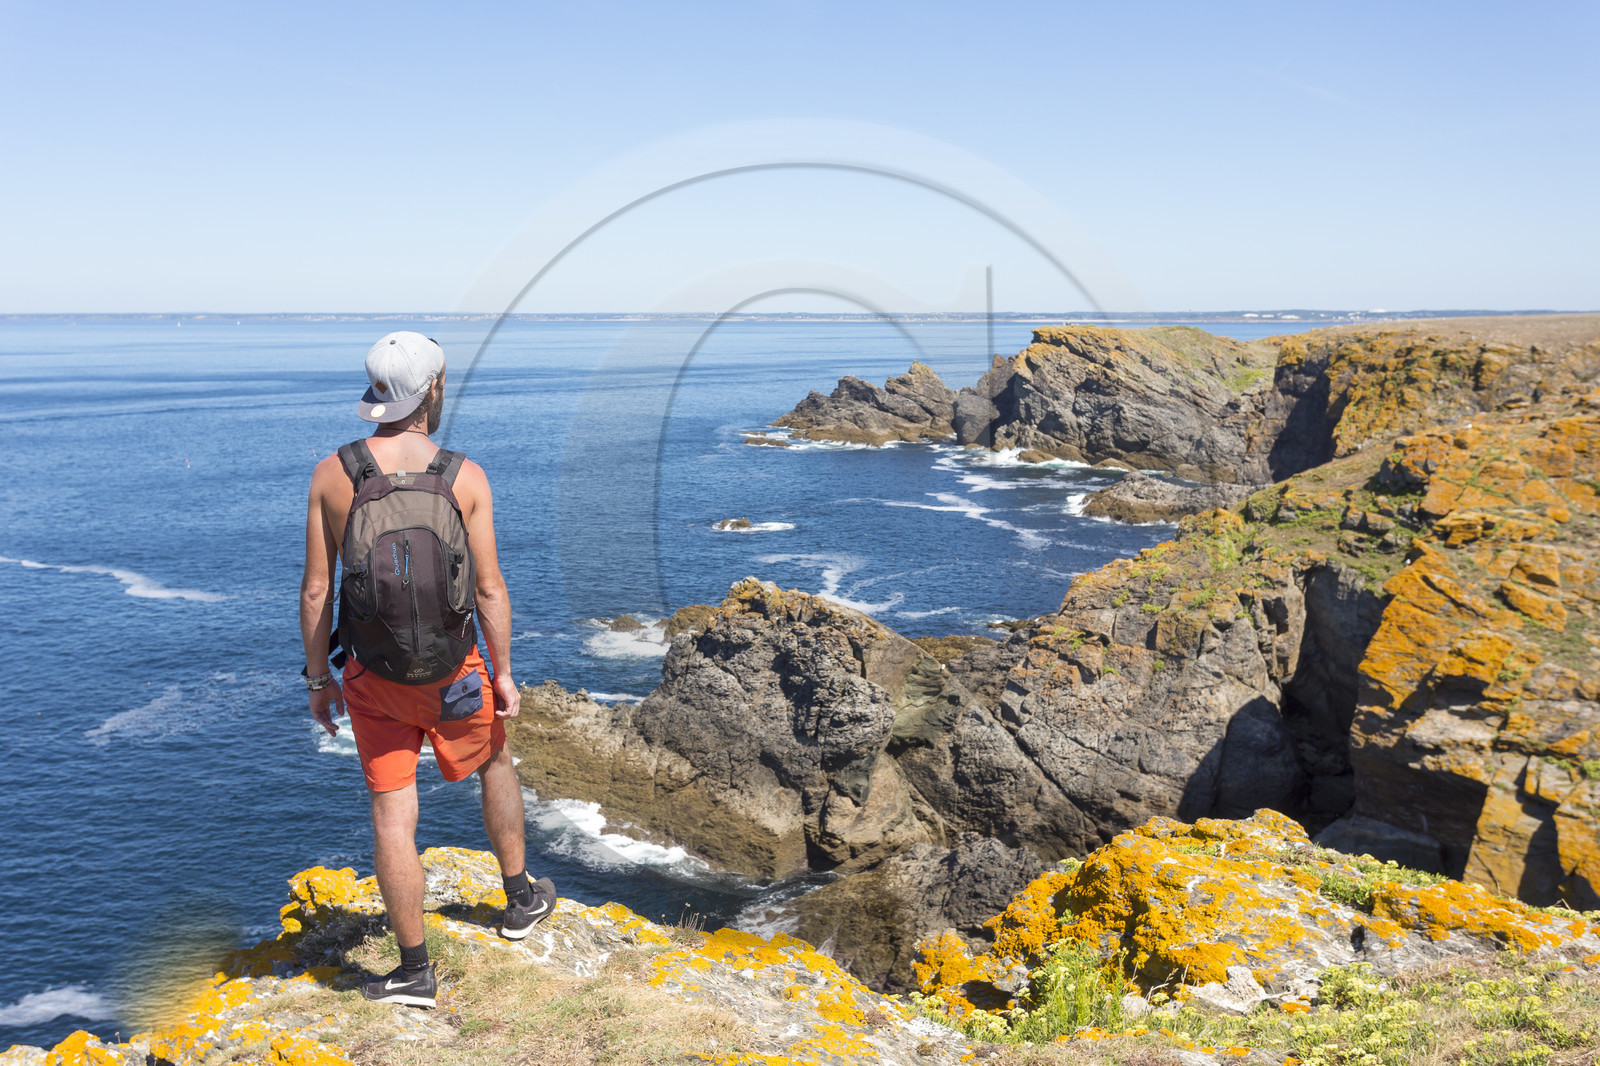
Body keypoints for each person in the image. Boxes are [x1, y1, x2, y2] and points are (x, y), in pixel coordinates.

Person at [299, 331, 556, 1008]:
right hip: (454, 674)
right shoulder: (462, 475)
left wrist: (318, 682)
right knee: (495, 765)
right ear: (434, 389)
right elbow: (491, 589)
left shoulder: (335, 473)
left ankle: (414, 971)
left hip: (371, 680)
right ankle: (520, 898)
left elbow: (316, 593)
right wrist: (502, 673)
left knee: (392, 813)